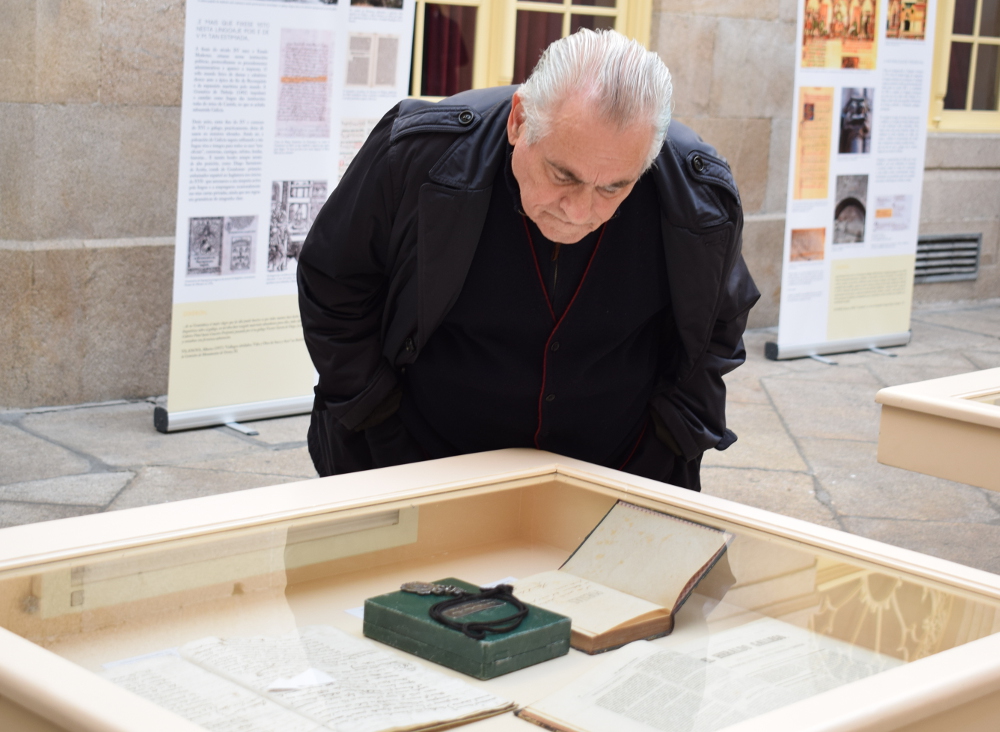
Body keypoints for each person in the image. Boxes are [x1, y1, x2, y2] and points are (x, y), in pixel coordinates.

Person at [298, 29, 759, 490]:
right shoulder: (417, 154)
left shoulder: (698, 195)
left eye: (613, 187)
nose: (578, 211)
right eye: (563, 175)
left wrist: (670, 437)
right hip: (419, 460)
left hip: (618, 467)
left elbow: (718, 324)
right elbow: (334, 281)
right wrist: (374, 412)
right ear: (519, 121)